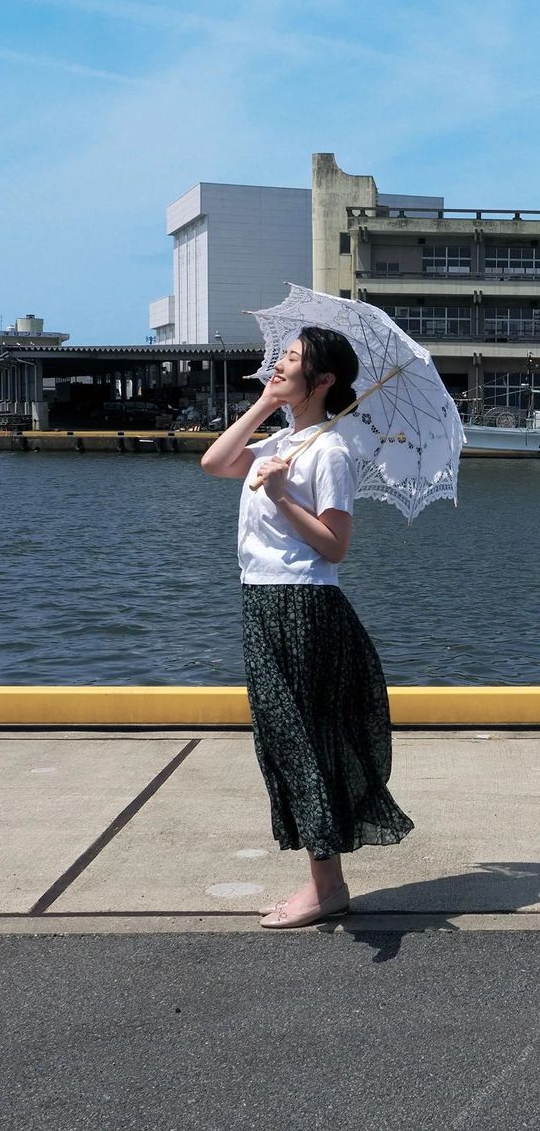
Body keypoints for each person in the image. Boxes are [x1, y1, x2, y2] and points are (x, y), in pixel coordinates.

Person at [201, 327, 414, 929]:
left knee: (302, 740)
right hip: (262, 601)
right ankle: (325, 881)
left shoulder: (331, 452)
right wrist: (266, 404)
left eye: (292, 362)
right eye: (281, 357)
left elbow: (336, 546)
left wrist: (281, 497)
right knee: (282, 740)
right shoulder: (287, 441)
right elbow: (214, 461)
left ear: (323, 382)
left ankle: (327, 887)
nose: (279, 365)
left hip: (302, 606)